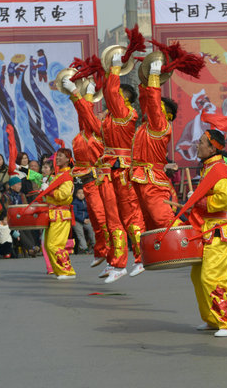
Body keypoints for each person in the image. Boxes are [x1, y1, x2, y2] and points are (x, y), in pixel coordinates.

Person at [97, 52, 146, 282]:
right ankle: (117, 263)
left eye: (117, 94)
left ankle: (140, 257)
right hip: (109, 169)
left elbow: (110, 93)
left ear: (124, 97)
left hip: (123, 169)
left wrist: (115, 69)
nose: (111, 97)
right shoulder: (110, 117)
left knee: (129, 216)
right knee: (112, 218)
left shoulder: (126, 114)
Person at [190, 129, 227, 337]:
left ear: (212, 148)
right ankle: (212, 319)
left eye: (201, 142)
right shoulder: (210, 167)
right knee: (198, 276)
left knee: (212, 277)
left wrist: (202, 202)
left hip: (219, 230)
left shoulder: (219, 169)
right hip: (208, 228)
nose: (197, 145)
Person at [62, 77, 111, 268]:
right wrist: (87, 93)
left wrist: (76, 92)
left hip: (99, 180)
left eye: (102, 115)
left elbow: (86, 113)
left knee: (101, 218)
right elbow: (84, 114)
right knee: (95, 219)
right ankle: (101, 251)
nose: (98, 116)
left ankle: (112, 256)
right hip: (87, 182)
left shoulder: (100, 132)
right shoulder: (85, 133)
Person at [131, 59, 178, 234]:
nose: (155, 108)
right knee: (147, 224)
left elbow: (152, 103)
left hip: (152, 179)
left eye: (160, 107)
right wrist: (145, 82)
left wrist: (154, 79)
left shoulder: (161, 126)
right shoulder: (147, 126)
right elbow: (147, 102)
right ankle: (153, 259)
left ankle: (186, 245)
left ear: (168, 114)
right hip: (139, 177)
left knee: (162, 219)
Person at [43, 148, 77, 280]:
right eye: (57, 156)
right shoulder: (58, 175)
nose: (57, 159)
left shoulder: (67, 175)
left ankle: (67, 271)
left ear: (68, 159)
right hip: (53, 213)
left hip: (60, 214)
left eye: (61, 156)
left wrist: (49, 191)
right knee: (48, 245)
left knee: (54, 244)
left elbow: (64, 195)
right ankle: (59, 270)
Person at [4, 176, 38, 257]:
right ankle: (32, 248)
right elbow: (6, 209)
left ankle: (32, 248)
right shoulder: (6, 196)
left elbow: (25, 207)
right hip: (10, 219)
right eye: (18, 184)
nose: (20, 186)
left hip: (21, 218)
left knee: (26, 227)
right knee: (19, 229)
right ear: (12, 186)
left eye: (20, 184)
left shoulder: (21, 195)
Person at [72, 187, 95, 254]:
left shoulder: (86, 201)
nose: (81, 195)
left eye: (82, 193)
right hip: (77, 220)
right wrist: (83, 220)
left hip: (86, 219)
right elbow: (75, 214)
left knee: (92, 230)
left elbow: (90, 211)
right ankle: (84, 248)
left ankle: (95, 246)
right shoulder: (74, 202)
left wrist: (88, 218)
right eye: (79, 193)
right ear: (76, 194)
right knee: (80, 233)